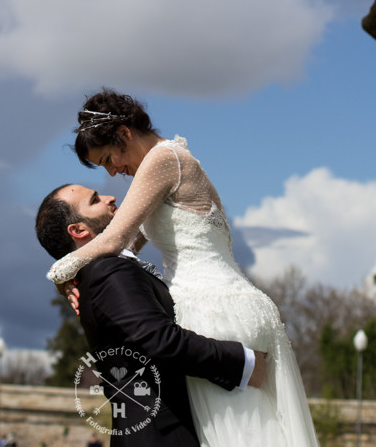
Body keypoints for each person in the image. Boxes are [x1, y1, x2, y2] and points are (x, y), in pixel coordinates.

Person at [47, 89, 320, 447]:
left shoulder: (163, 159)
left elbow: (113, 241)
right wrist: (77, 275)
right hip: (232, 303)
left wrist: (58, 274)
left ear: (125, 134)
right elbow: (123, 250)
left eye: (109, 157)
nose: (113, 172)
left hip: (213, 311)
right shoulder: (167, 165)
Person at [36, 183, 267, 447]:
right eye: (95, 199)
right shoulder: (107, 273)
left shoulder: (100, 271)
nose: (110, 197)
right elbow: (160, 340)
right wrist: (244, 364)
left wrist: (65, 270)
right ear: (78, 230)